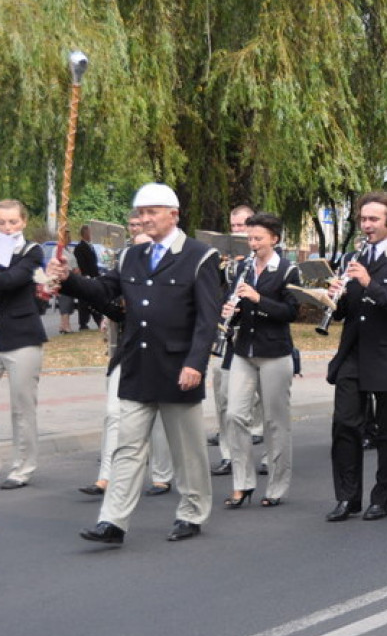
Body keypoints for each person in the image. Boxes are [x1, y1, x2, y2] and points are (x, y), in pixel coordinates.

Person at [48, 183, 221, 544]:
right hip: (138, 365)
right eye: (140, 213)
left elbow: (207, 319)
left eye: (151, 212)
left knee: (186, 451)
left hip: (178, 368)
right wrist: (68, 281)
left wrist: (196, 364)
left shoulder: (199, 256)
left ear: (173, 214)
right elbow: (104, 291)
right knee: (127, 447)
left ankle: (192, 512)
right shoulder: (131, 257)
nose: (144, 219)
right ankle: (113, 521)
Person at [325, 191, 387, 523]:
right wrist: (333, 299)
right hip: (353, 351)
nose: (365, 226)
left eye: (373, 220)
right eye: (363, 219)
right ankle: (347, 497)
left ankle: (382, 498)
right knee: (345, 425)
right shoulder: (353, 258)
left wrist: (368, 283)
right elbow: (345, 313)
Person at [80, 222, 175, 497]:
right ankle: (106, 477)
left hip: (161, 352)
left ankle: (161, 475)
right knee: (113, 414)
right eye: (136, 246)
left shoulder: (170, 274)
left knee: (158, 418)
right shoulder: (126, 271)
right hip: (129, 349)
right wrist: (106, 309)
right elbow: (108, 300)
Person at [220, 212, 300, 508]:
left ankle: (277, 486)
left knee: (274, 422)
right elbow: (233, 300)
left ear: (274, 239)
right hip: (244, 350)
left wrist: (257, 300)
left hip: (275, 352)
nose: (252, 243)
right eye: (249, 238)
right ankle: (242, 483)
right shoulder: (243, 267)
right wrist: (232, 309)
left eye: (258, 238)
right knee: (234, 415)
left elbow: (291, 313)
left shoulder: (288, 271)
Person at [208, 204, 264, 476]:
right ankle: (228, 454)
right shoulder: (225, 262)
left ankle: (268, 455)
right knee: (223, 395)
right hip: (228, 337)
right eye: (234, 227)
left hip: (259, 337)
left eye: (242, 226)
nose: (237, 231)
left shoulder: (266, 260)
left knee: (263, 399)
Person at [0, 199, 47, 490]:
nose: (7, 228)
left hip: (22, 336)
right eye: (1, 223)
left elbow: (11, 281)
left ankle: (22, 466)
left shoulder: (32, 251)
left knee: (22, 407)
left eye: (12, 222)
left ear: (24, 222)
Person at [73, 224, 102, 330]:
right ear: (85, 234)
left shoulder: (91, 246)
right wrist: (86, 276)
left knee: (93, 300)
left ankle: (98, 320)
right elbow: (82, 264)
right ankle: (83, 323)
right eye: (90, 232)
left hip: (94, 276)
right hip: (86, 277)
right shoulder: (79, 248)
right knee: (85, 302)